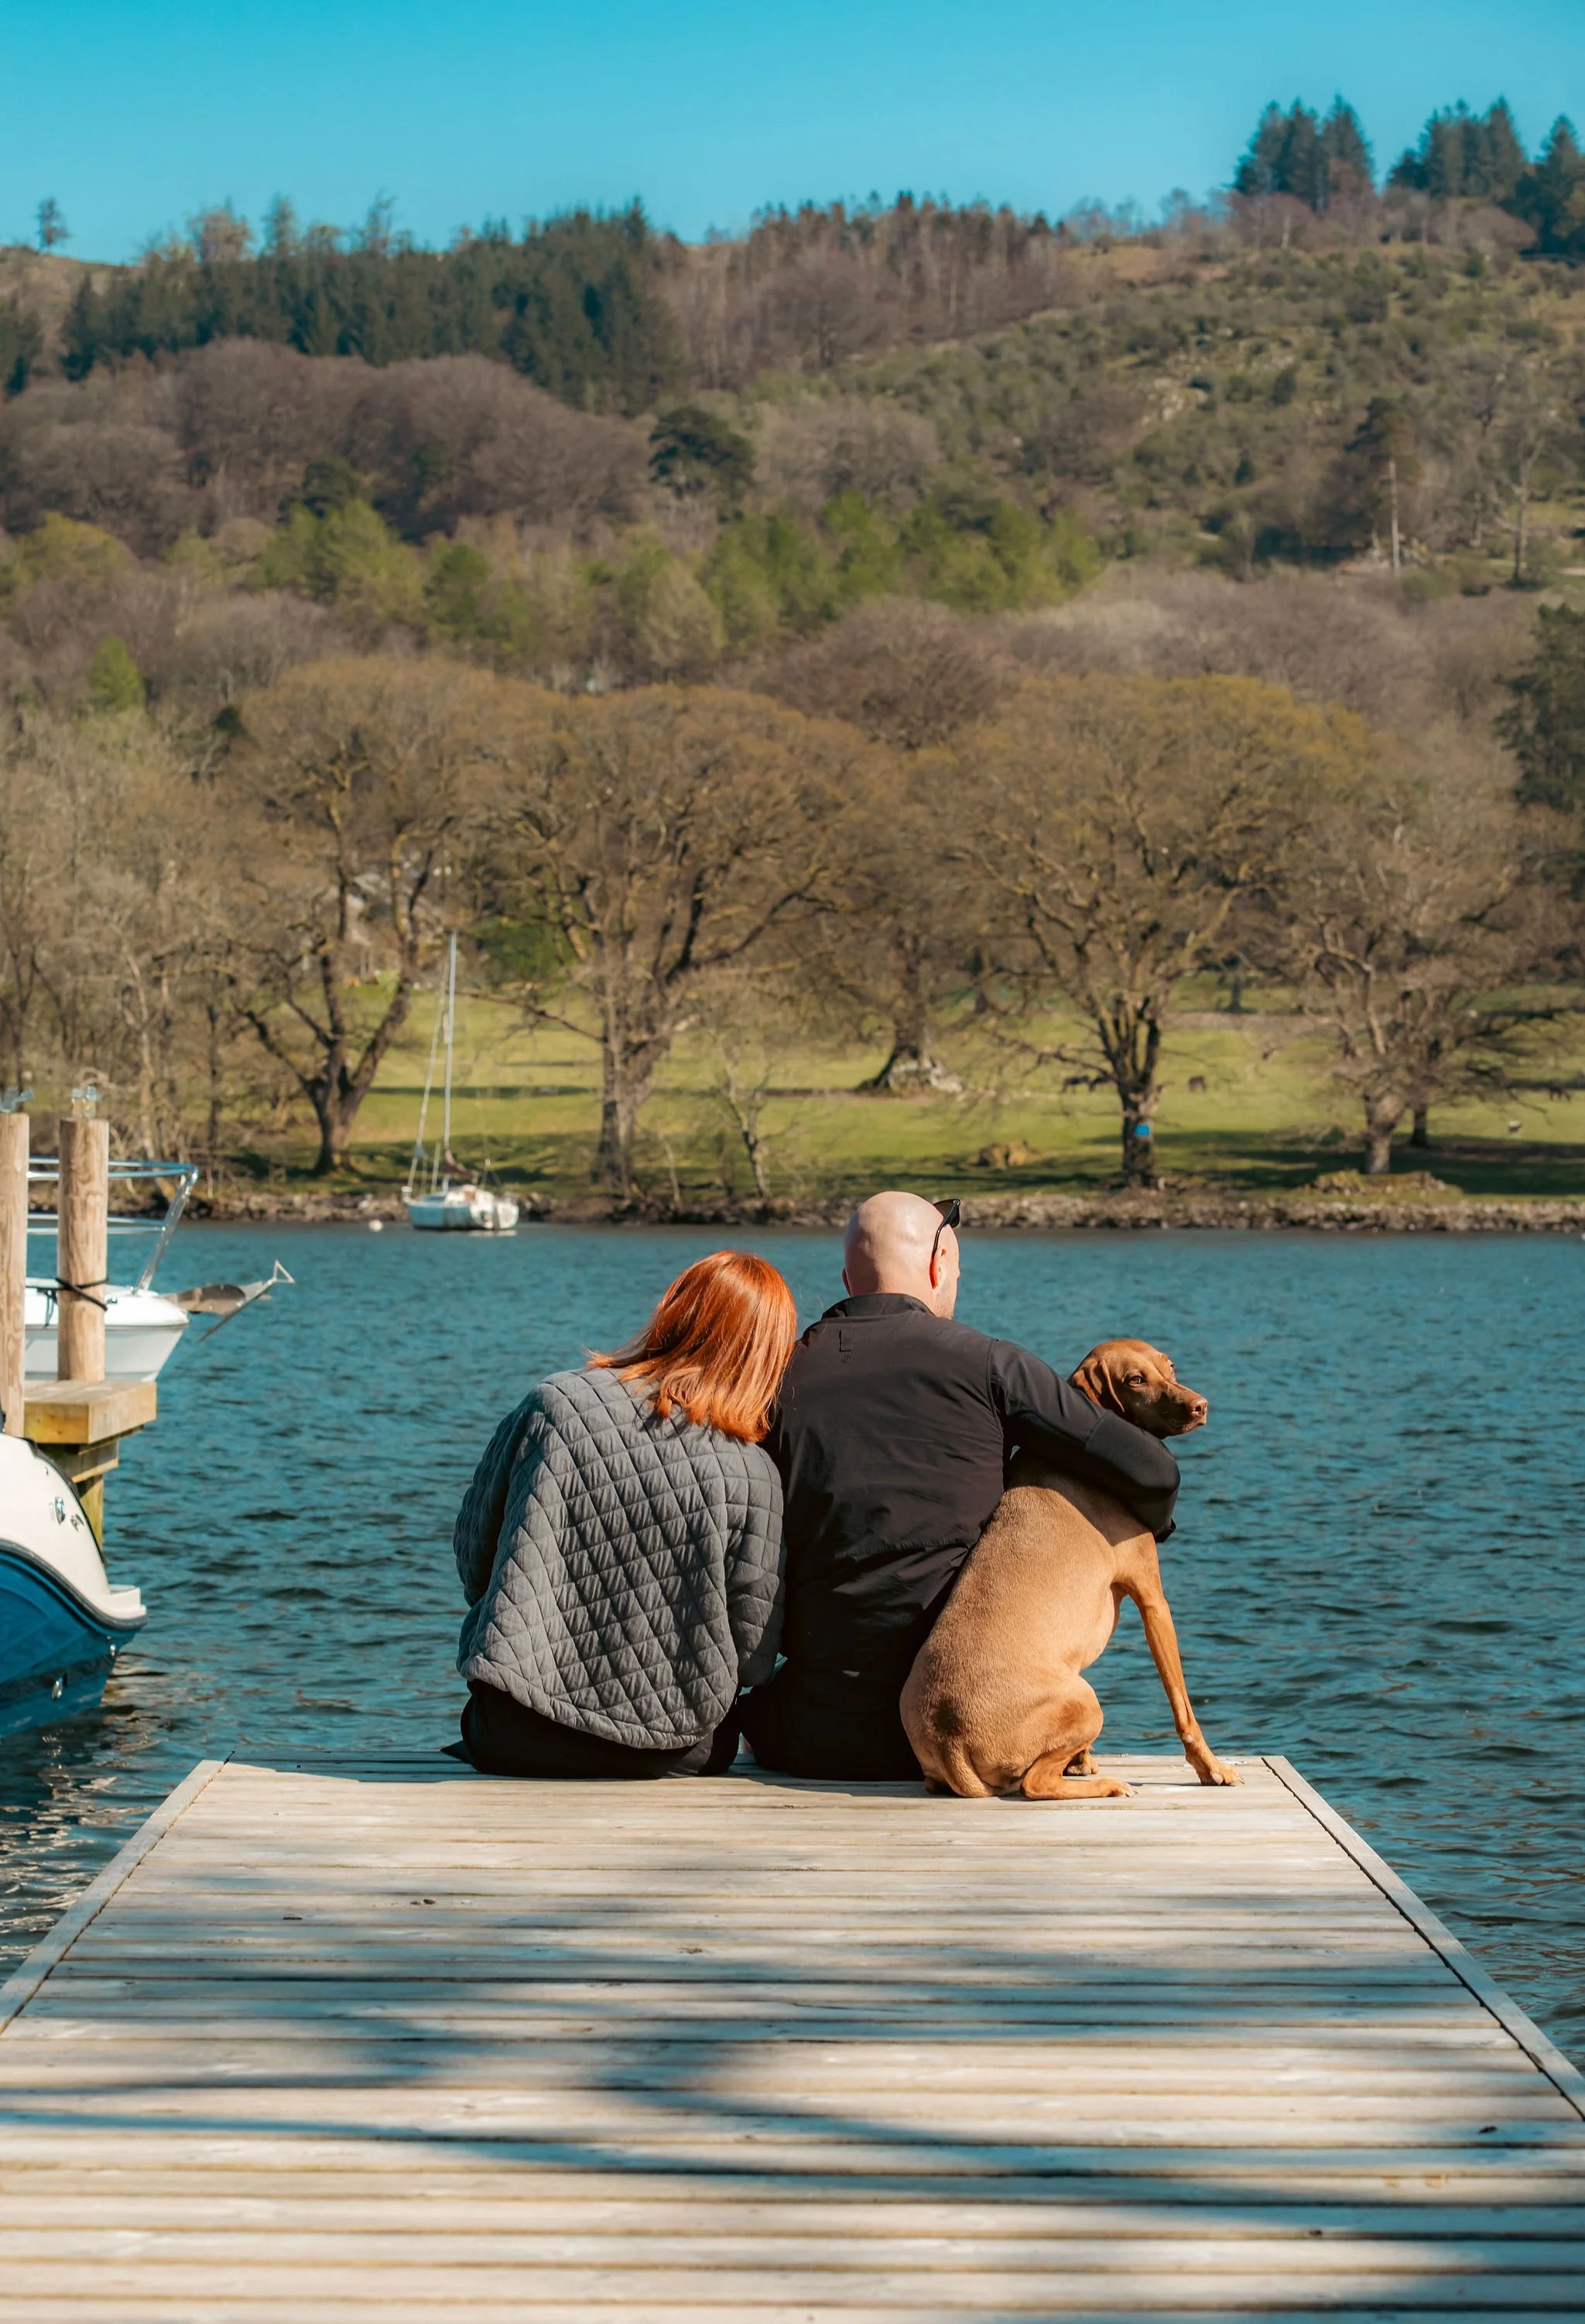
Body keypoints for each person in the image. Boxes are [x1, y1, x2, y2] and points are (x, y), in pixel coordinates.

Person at [739, 1190, 1181, 1781]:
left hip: (807, 1735)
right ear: (938, 1264)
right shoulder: (992, 1366)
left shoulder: (775, 1379)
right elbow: (1153, 1472)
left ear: (848, 1278)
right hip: (966, 1733)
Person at [453, 1250, 793, 1778]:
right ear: (767, 1355)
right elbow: (753, 1654)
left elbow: (475, 1559)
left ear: (674, 1311)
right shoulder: (754, 1472)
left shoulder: (555, 1403)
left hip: (515, 1729)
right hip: (673, 1750)